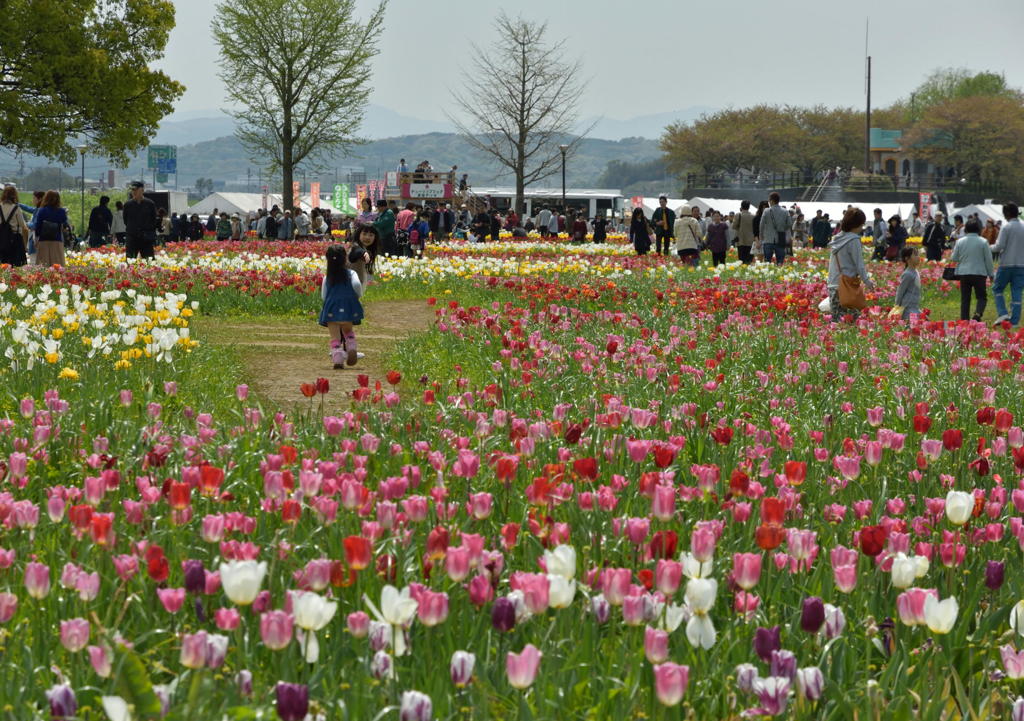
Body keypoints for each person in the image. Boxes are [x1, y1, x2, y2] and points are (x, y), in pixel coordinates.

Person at [319, 244, 364, 368]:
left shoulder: (327, 277)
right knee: (348, 331)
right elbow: (357, 285)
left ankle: (338, 359)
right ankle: (351, 348)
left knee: (335, 337)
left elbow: (324, 295)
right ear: (345, 258)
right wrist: (357, 296)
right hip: (348, 307)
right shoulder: (351, 273)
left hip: (331, 309)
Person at [827, 207, 874, 322]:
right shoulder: (853, 240)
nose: (861, 227)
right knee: (851, 322)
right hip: (847, 286)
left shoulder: (836, 239)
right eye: (861, 224)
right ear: (856, 224)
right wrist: (867, 281)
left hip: (833, 284)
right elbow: (859, 264)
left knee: (837, 322)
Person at [950, 218, 995, 322]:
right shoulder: (983, 242)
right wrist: (991, 274)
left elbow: (954, 258)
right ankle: (978, 314)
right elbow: (988, 260)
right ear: (978, 229)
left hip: (964, 273)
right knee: (981, 297)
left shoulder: (960, 242)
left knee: (965, 299)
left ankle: (964, 321)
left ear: (966, 230)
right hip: (979, 273)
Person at [992, 203, 1024, 326]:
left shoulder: (1006, 227)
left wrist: (987, 247)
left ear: (1007, 213)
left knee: (997, 288)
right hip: (1021, 265)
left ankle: (1003, 313)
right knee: (1017, 292)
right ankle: (1014, 321)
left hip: (1006, 264)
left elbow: (999, 246)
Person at [32, 190, 69, 266]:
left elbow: (38, 227)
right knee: (57, 267)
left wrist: (36, 239)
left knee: (43, 267)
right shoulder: (61, 211)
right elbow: (65, 225)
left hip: (43, 241)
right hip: (57, 241)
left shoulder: (42, 211)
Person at [122, 180, 157, 259]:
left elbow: (153, 220)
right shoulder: (128, 205)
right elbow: (125, 220)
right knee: (130, 261)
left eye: (136, 189)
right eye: (132, 190)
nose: (133, 192)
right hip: (132, 237)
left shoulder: (150, 204)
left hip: (146, 238)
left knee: (149, 261)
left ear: (142, 190)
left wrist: (148, 230)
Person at [0, 184, 30, 266]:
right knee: (15, 265)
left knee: (3, 264)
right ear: (14, 195)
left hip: (1, 239)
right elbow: (22, 225)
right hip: (15, 239)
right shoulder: (16, 208)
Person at [758, 192, 789, 264]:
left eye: (769, 200)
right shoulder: (785, 211)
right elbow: (789, 224)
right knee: (780, 262)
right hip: (780, 239)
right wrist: (782, 228)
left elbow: (761, 225)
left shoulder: (766, 211)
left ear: (772, 200)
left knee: (767, 262)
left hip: (768, 239)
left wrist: (761, 236)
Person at [893, 246, 921, 322]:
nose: (918, 257)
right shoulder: (907, 274)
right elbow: (900, 290)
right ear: (907, 258)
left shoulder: (915, 271)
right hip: (907, 307)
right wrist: (897, 306)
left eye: (918, 254)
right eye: (915, 255)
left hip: (914, 305)